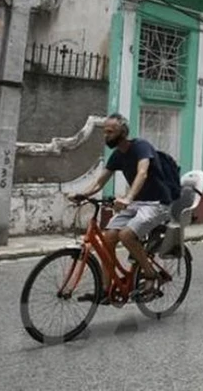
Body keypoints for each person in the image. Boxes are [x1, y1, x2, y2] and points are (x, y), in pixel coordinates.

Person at [70, 113, 174, 303]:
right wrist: (83, 194)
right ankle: (105, 289)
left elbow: (142, 173)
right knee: (108, 239)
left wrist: (128, 198)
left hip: (158, 204)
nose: (106, 135)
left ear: (123, 132)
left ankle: (151, 275)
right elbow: (100, 182)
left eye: (110, 131)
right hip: (136, 204)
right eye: (104, 132)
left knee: (126, 235)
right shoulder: (117, 155)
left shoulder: (141, 147)